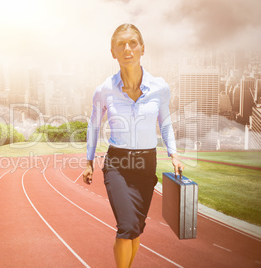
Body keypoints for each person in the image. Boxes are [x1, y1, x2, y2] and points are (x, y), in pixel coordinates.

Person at [83, 23, 185, 268]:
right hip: (117, 163)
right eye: (120, 44)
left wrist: (174, 154)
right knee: (126, 226)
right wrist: (89, 161)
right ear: (113, 52)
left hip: (146, 164)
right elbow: (94, 125)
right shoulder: (104, 90)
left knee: (137, 229)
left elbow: (166, 124)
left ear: (142, 49)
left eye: (132, 43)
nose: (127, 48)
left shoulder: (160, 88)